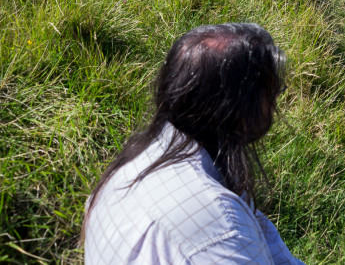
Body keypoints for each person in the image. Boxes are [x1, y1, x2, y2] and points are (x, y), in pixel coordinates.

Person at [83, 22, 304, 264]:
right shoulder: (223, 228)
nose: (275, 103)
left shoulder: (130, 166)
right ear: (238, 110)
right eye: (272, 93)